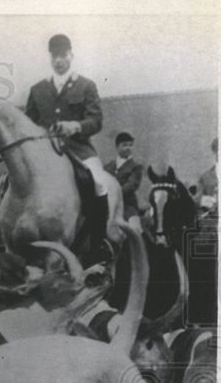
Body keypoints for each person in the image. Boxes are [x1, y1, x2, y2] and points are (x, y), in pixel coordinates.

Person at [25, 34, 109, 257]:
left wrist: (76, 126)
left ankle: (99, 243)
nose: (58, 60)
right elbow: (28, 124)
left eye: (63, 55)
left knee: (99, 182)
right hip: (45, 152)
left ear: (71, 55)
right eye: (54, 56)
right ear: (50, 58)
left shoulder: (86, 86)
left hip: (79, 149)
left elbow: (96, 121)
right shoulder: (38, 90)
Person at [105, 132, 144, 233]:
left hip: (128, 206)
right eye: (124, 145)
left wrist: (113, 194)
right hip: (108, 205)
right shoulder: (108, 167)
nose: (128, 148)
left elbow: (131, 185)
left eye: (130, 145)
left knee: (135, 230)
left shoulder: (136, 167)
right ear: (117, 147)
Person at [193, 137, 218, 215]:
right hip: (212, 222)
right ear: (214, 152)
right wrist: (211, 201)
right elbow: (197, 199)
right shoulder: (205, 176)